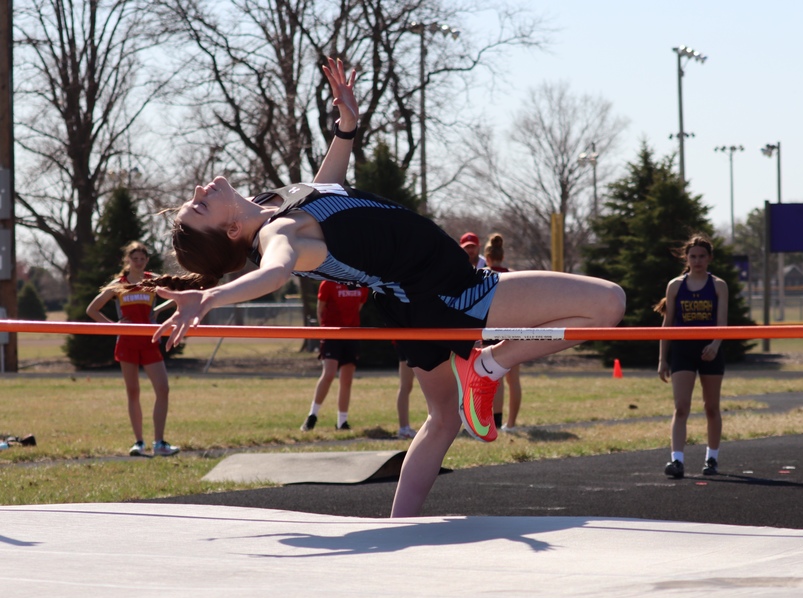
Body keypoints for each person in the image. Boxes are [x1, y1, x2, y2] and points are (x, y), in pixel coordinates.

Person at [148, 57, 625, 517]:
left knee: (443, 420)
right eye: (201, 208)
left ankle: (398, 531)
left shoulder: (273, 207)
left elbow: (326, 194)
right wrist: (210, 298)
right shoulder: (278, 237)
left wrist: (346, 127)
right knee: (607, 305)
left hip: (408, 301)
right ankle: (491, 362)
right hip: (447, 290)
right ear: (232, 232)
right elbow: (276, 273)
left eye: (193, 201)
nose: (198, 193)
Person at [86, 241, 179, 457]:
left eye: (142, 259)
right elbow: (92, 309)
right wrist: (113, 327)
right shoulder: (118, 284)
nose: (138, 262)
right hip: (127, 342)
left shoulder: (152, 280)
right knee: (133, 391)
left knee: (163, 389)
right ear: (127, 260)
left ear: (146, 260)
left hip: (149, 340)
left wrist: (156, 311)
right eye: (134, 259)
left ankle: (160, 443)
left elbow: (177, 296)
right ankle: (139, 442)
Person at [655, 234, 729, 479]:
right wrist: (662, 359)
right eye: (693, 256)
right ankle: (676, 461)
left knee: (711, 407)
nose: (697, 261)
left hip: (710, 351)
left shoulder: (718, 285)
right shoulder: (676, 285)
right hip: (683, 351)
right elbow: (667, 324)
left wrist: (715, 344)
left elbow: (722, 322)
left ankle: (712, 459)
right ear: (686, 258)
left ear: (709, 259)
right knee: (681, 407)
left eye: (702, 256)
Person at [301, 280, 368, 432]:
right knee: (329, 373)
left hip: (351, 333)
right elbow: (320, 310)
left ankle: (342, 421)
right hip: (331, 334)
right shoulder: (328, 283)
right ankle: (312, 415)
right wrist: (325, 332)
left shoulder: (361, 283)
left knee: (347, 379)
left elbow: (357, 307)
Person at [483, 233, 522, 430]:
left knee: (494, 378)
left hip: (491, 329)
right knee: (513, 380)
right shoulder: (512, 275)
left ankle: (495, 422)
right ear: (502, 256)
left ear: (487, 257)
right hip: (512, 329)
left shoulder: (482, 275)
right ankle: (511, 423)